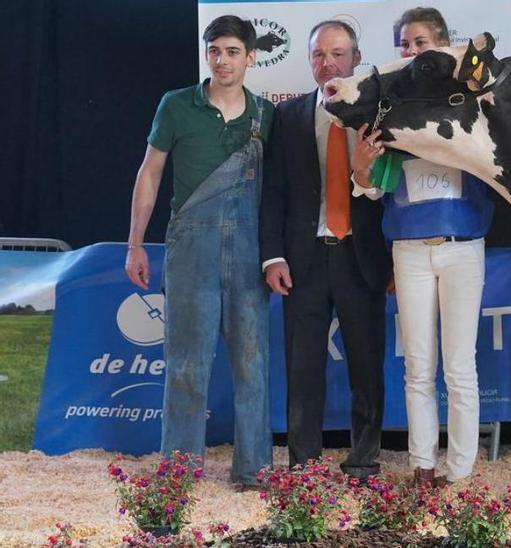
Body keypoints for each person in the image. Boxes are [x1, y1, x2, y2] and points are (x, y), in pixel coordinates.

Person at [125, 15, 273, 490]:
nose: (223, 60)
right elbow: (149, 175)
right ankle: (178, 474)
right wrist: (135, 244)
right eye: (215, 50)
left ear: (251, 57)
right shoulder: (176, 106)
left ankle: (253, 472)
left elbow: (278, 191)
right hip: (191, 246)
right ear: (206, 55)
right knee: (187, 363)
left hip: (250, 250)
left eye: (233, 51)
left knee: (252, 364)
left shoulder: (265, 114)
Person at [350, 6, 492, 488]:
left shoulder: (470, 105)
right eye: (404, 46)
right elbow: (373, 189)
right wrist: (362, 168)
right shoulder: (390, 111)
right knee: (418, 366)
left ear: (443, 45)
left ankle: (461, 469)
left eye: (420, 44)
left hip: (462, 247)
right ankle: (422, 464)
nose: (411, 53)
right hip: (408, 250)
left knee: (459, 366)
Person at [259, 20, 391, 481]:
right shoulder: (291, 115)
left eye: (337, 53)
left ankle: (364, 460)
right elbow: (273, 191)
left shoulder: (378, 113)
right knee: (303, 366)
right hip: (303, 259)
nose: (327, 62)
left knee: (367, 364)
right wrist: (272, 256)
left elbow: (389, 190)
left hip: (362, 255)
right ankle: (303, 464)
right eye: (318, 54)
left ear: (356, 58)